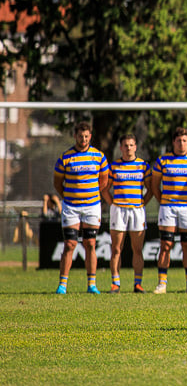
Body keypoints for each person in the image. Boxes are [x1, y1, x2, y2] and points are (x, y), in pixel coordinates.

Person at [53, 121, 110, 294]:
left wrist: (90, 194)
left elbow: (104, 181)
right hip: (71, 207)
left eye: (86, 136)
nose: (83, 139)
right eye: (80, 136)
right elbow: (57, 183)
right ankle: (63, 284)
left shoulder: (99, 156)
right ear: (75, 136)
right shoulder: (66, 157)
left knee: (90, 243)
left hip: (92, 206)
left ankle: (91, 284)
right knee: (70, 244)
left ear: (90, 136)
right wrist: (70, 196)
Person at [150, 126, 187, 294]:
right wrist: (165, 202)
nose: (181, 143)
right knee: (166, 244)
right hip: (168, 207)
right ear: (173, 142)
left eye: (184, 140)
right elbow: (154, 185)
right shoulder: (163, 161)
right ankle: (162, 284)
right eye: (178, 140)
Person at [107, 134, 150, 293]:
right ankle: (115, 283)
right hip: (119, 210)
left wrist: (142, 202)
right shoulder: (114, 166)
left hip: (137, 210)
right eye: (125, 145)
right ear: (121, 148)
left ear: (136, 147)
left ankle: (137, 283)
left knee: (137, 249)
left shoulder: (143, 166)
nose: (128, 148)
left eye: (131, 145)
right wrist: (113, 203)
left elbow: (151, 189)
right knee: (116, 249)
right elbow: (105, 188)